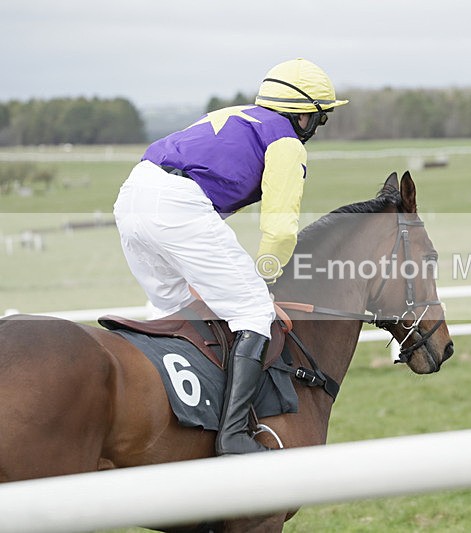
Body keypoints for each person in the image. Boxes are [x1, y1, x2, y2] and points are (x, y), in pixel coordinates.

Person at [113, 58, 348, 454]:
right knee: (254, 311)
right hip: (178, 207)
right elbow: (279, 229)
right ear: (303, 117)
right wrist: (265, 278)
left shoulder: (232, 114)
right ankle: (234, 435)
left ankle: (175, 422)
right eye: (318, 119)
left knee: (177, 310)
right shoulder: (286, 142)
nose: (316, 128)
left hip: (132, 195)